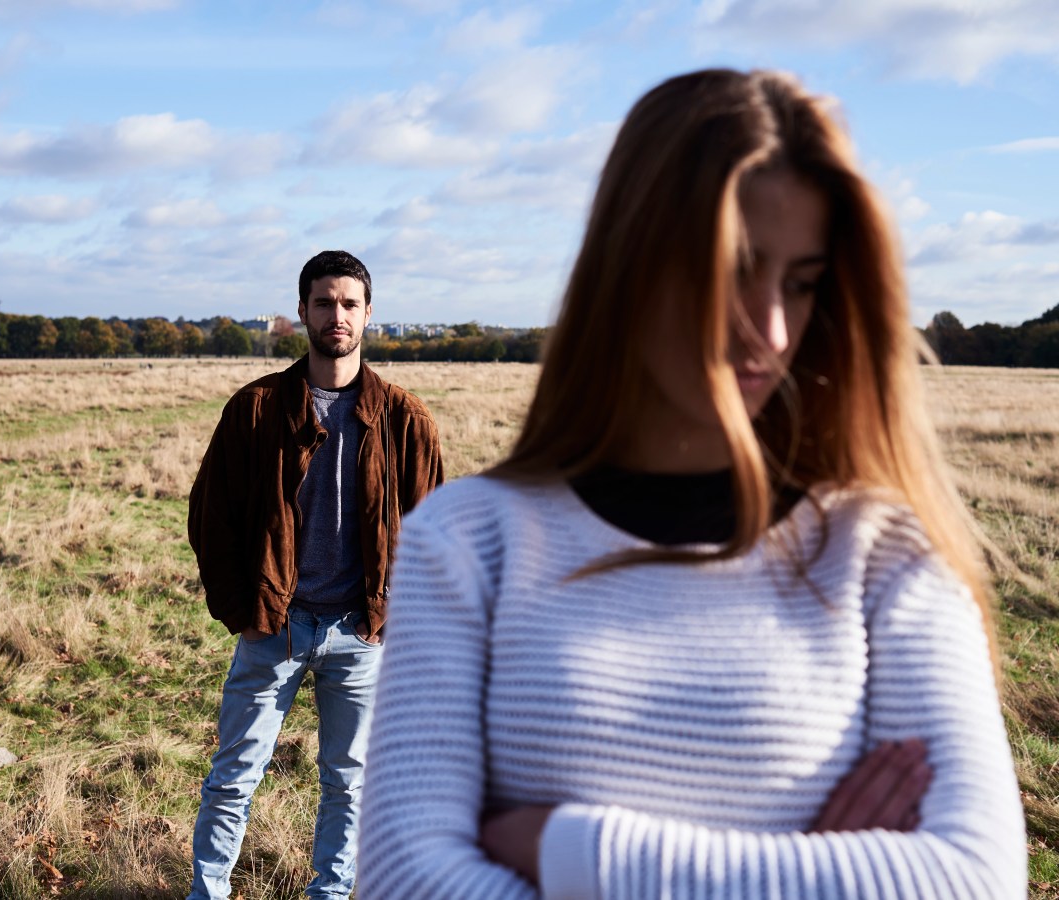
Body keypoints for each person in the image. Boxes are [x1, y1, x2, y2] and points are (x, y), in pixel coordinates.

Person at [356, 69, 1026, 898]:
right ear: (629, 258)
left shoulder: (882, 554)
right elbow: (402, 882)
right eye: (736, 268)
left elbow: (969, 879)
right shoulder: (469, 542)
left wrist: (571, 851)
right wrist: (810, 875)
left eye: (802, 281)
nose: (771, 329)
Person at [186, 250, 444, 900]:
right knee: (233, 777)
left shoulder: (404, 420)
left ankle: (329, 895)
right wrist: (243, 611)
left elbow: (437, 537)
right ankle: (205, 893)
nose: (337, 315)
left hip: (360, 635)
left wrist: (391, 621)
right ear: (301, 311)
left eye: (349, 303)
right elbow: (210, 518)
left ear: (368, 315)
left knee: (349, 784)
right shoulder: (255, 409)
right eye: (324, 302)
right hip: (274, 625)